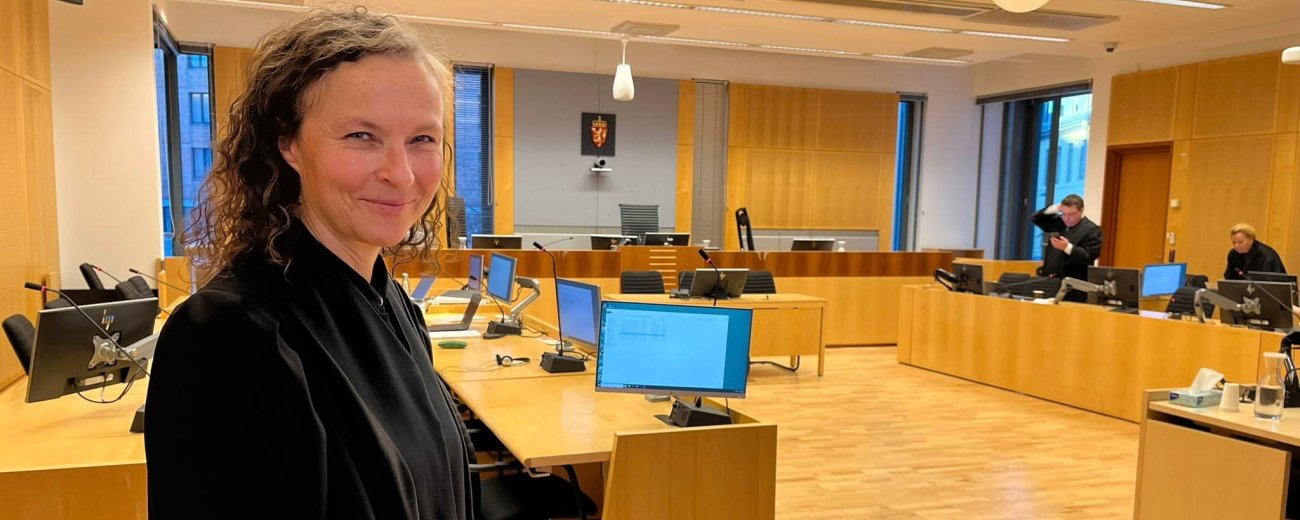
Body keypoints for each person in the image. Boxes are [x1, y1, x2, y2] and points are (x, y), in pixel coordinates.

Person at [145, 9, 472, 519]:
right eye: (361, 136)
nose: (402, 174)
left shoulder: (392, 303)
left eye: (422, 139)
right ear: (289, 144)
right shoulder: (229, 335)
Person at [1032, 194, 1103, 287]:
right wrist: (1056, 208)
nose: (1067, 218)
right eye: (1063, 214)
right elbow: (1036, 218)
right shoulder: (1059, 223)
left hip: (1073, 284)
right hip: (1049, 280)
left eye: (1071, 214)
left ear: (1081, 210)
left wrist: (1067, 247)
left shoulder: (1092, 229)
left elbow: (1089, 255)